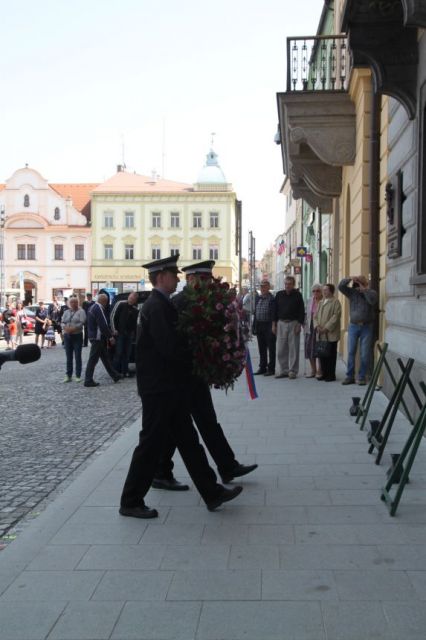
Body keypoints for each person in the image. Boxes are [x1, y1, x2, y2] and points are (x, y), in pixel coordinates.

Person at [119, 255, 243, 519]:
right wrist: (200, 355)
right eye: (174, 274)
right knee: (150, 445)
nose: (178, 278)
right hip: (159, 389)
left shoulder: (161, 304)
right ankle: (130, 501)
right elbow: (170, 349)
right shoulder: (156, 306)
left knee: (189, 442)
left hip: (169, 388)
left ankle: (212, 492)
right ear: (161, 277)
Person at [154, 260, 258, 490]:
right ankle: (162, 471)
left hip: (196, 373)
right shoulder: (178, 302)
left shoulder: (209, 301)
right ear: (190, 279)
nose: (207, 283)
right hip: (181, 375)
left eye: (209, 279)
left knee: (206, 421)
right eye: (202, 279)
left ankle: (227, 465)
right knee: (178, 427)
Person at [338, 275, 378, 385]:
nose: (357, 286)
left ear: (365, 284)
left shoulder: (372, 293)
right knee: (351, 352)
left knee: (364, 353)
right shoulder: (352, 293)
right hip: (353, 326)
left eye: (360, 283)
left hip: (367, 326)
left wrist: (364, 290)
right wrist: (350, 278)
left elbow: (372, 302)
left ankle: (361, 377)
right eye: (356, 284)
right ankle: (350, 376)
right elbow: (341, 286)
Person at [84, 293, 121, 387]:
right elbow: (103, 324)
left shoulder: (92, 307)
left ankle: (115, 375)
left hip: (93, 336)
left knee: (105, 357)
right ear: (104, 301)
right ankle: (88, 380)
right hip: (97, 337)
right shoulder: (98, 308)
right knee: (93, 359)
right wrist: (110, 337)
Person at [272, 276, 305, 379]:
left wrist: (299, 324)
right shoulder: (279, 295)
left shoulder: (298, 295)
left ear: (293, 285)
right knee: (281, 348)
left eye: (289, 284)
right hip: (281, 323)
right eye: (286, 284)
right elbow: (274, 310)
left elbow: (301, 311)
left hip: (293, 323)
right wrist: (274, 324)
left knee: (294, 348)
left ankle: (293, 371)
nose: (287, 286)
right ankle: (284, 370)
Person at [313, 283, 342, 382]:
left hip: (330, 334)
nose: (324, 292)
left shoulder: (335, 302)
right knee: (322, 354)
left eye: (326, 290)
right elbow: (315, 316)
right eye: (323, 290)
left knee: (331, 355)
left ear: (331, 291)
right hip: (321, 334)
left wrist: (326, 328)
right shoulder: (321, 302)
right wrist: (317, 326)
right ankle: (324, 373)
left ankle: (331, 375)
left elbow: (335, 317)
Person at [253, 279, 276, 376]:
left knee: (271, 348)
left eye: (265, 286)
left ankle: (271, 369)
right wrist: (254, 326)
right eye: (261, 286)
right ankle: (262, 367)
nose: (263, 288)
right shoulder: (258, 298)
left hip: (269, 325)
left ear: (268, 287)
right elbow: (255, 313)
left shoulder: (272, 299)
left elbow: (274, 313)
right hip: (259, 325)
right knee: (261, 348)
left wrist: (274, 325)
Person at [113, 292, 138, 376]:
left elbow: (135, 324)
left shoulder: (135, 309)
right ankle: (116, 372)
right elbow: (113, 316)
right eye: (130, 298)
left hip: (129, 334)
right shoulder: (121, 304)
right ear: (129, 297)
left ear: (135, 300)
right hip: (120, 333)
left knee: (127, 354)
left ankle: (125, 371)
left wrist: (135, 333)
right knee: (119, 352)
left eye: (133, 299)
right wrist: (114, 329)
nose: (131, 299)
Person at [61, 295, 86, 382]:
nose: (73, 303)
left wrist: (74, 328)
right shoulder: (66, 312)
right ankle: (68, 375)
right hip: (67, 336)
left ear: (77, 303)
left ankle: (78, 376)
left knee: (78, 356)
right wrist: (65, 328)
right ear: (69, 303)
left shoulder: (81, 311)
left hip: (77, 335)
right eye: (71, 302)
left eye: (75, 302)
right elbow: (62, 322)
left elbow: (82, 322)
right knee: (69, 356)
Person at [304, 284, 323, 378]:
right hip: (310, 327)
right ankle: (313, 370)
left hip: (319, 327)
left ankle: (320, 370)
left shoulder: (323, 301)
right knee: (309, 348)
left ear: (321, 292)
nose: (315, 293)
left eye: (318, 291)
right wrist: (304, 324)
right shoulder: (310, 300)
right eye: (314, 291)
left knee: (319, 349)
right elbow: (306, 313)